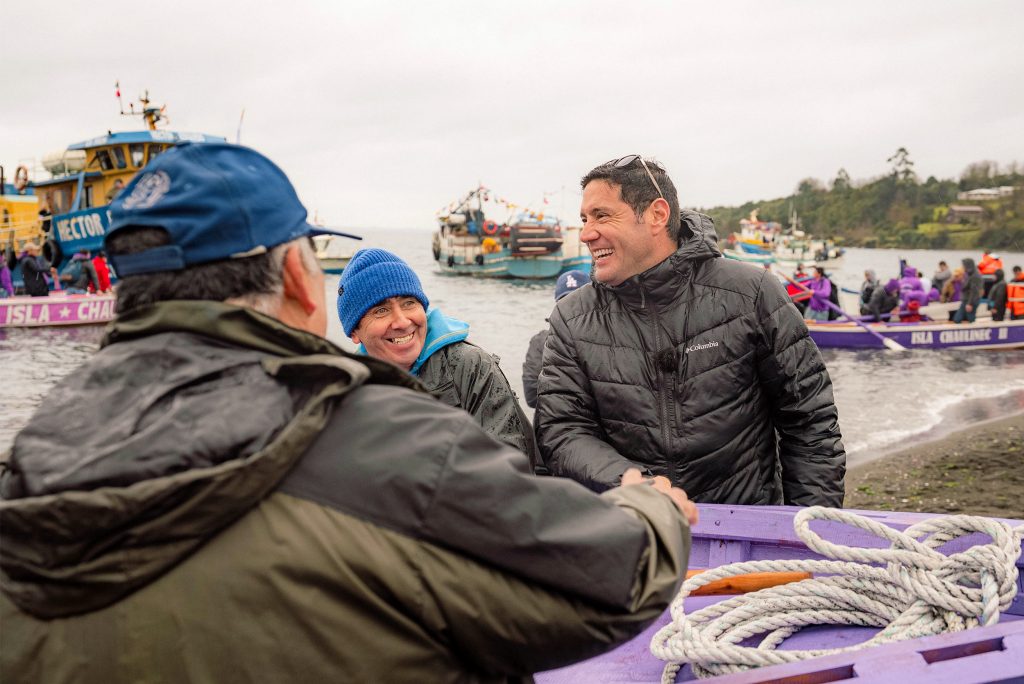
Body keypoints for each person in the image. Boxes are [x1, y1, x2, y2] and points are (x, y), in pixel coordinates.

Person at [0, 143, 696, 683]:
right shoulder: (382, 438)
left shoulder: (35, 452)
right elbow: (607, 576)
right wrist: (654, 509)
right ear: (301, 281)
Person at [535, 154, 845, 506]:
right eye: (584, 219)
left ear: (657, 215)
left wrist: (807, 524)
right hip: (634, 523)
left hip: (744, 523)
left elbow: (809, 421)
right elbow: (562, 429)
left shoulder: (752, 293)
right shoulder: (571, 317)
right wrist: (631, 483)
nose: (587, 234)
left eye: (602, 215)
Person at [337, 248, 535, 459]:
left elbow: (509, 462)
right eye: (381, 310)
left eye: (409, 303)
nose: (402, 322)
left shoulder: (471, 367)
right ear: (355, 332)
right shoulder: (346, 394)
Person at [523, 269, 589, 409]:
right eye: (565, 302)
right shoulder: (540, 341)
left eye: (579, 301)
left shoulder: (607, 338)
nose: (573, 308)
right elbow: (531, 395)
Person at [954, 257, 983, 324]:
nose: (963, 267)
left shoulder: (975, 276)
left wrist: (970, 303)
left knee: (969, 319)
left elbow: (974, 291)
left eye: (964, 265)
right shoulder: (969, 274)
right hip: (966, 300)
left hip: (971, 301)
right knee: (958, 319)